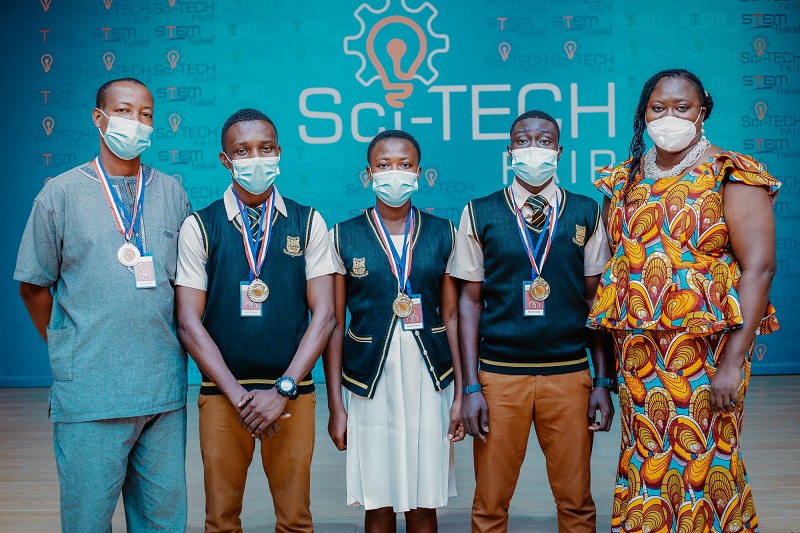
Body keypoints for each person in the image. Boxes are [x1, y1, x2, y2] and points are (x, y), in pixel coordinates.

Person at [587, 69, 780, 533]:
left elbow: (759, 268)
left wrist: (733, 362)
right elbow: (618, 266)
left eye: (682, 107)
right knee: (646, 453)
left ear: (702, 111)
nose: (668, 116)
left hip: (708, 354)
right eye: (658, 108)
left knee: (706, 456)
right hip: (639, 354)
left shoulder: (731, 173)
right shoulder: (623, 179)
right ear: (644, 114)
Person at [14, 78, 191, 531]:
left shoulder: (172, 193)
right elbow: (33, 286)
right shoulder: (60, 194)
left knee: (163, 522)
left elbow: (186, 286)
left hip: (162, 393)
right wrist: (68, 345)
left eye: (146, 114)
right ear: (99, 118)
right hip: (90, 393)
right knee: (87, 522)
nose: (137, 122)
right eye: (125, 111)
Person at [452, 110, 616, 533]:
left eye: (544, 141)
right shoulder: (480, 212)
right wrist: (470, 386)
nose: (533, 149)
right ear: (510, 152)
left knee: (577, 502)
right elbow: (469, 302)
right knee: (490, 505)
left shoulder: (585, 211)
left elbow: (597, 302)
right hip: (499, 377)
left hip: (570, 375)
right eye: (523, 140)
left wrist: (602, 381)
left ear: (559, 152)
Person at [175, 108, 336, 533]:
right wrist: (238, 397)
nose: (256, 158)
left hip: (292, 394)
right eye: (242, 151)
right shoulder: (200, 226)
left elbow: (325, 315)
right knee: (221, 521)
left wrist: (283, 389)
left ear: (279, 152)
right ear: (225, 160)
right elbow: (188, 322)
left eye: (265, 148)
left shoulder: (308, 221)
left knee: (296, 521)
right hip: (222, 394)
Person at [323, 129, 464, 532]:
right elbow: (334, 324)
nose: (394, 173)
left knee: (424, 502)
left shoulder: (443, 232)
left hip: (430, 378)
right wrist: (335, 406)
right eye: (383, 165)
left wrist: (460, 394)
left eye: (405, 165)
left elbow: (452, 315)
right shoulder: (343, 235)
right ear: (368, 174)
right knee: (378, 501)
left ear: (419, 173)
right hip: (370, 379)